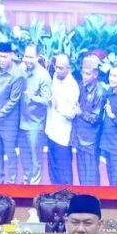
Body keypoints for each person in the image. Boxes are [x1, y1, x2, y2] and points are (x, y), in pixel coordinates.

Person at [0, 41, 25, 184]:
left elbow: (13, 102)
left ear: (11, 56)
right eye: (0, 56)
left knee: (10, 153)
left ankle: (12, 183)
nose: (2, 59)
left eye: (5, 57)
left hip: (9, 122)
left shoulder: (18, 75)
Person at [18, 44, 51, 184]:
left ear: (37, 57)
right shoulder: (21, 69)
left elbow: (47, 100)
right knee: (24, 157)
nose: (28, 60)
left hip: (35, 125)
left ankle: (35, 188)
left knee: (35, 159)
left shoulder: (44, 76)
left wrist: (33, 97)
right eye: (26, 56)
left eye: (31, 57)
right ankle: (26, 185)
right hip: (21, 122)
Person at [71, 55, 105, 186]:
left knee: (91, 177)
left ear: (95, 74)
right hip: (80, 138)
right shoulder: (81, 85)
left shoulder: (100, 92)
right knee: (82, 175)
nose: (84, 76)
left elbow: (95, 118)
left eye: (87, 74)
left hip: (91, 142)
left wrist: (80, 113)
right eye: (83, 72)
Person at [45, 54, 79, 185]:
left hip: (63, 138)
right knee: (53, 171)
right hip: (51, 133)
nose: (57, 70)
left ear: (68, 68)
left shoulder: (73, 86)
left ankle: (67, 196)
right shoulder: (55, 77)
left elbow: (72, 114)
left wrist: (58, 106)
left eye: (61, 68)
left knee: (64, 175)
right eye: (56, 67)